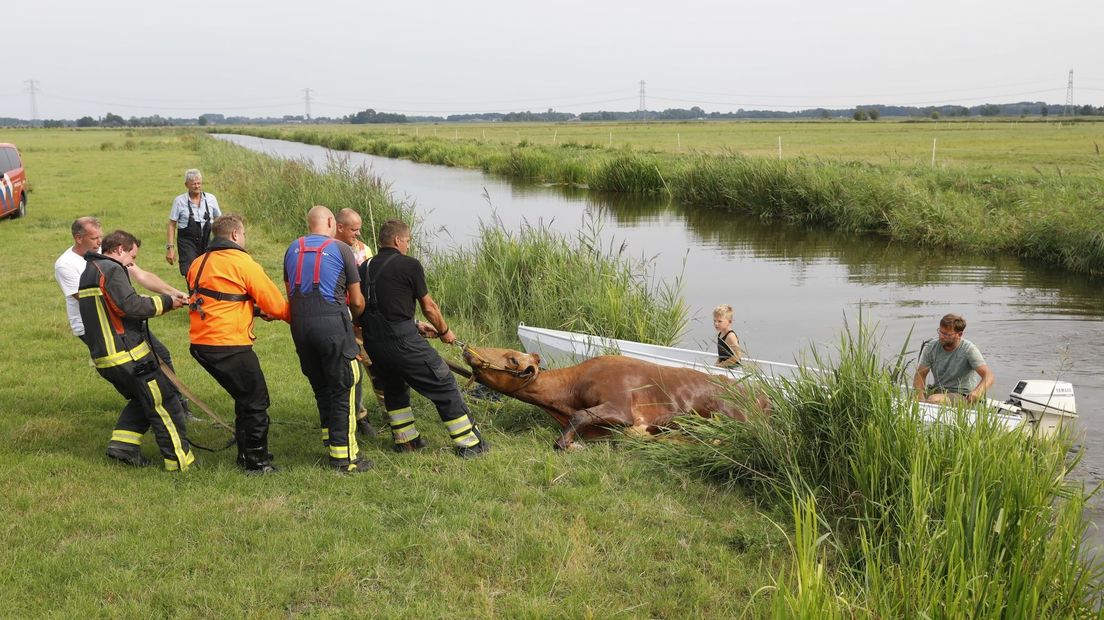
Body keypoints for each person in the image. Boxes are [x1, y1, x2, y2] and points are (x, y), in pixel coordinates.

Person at [358, 219, 488, 457]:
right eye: (407, 241)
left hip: (374, 343)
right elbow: (429, 306)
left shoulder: (363, 268)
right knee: (444, 383)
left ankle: (406, 442)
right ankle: (470, 444)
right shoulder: (410, 265)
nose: (408, 245)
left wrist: (415, 325)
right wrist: (445, 330)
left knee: (394, 388)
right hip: (403, 342)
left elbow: (370, 306)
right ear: (398, 240)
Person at [78, 230, 194, 471]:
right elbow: (129, 306)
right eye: (132, 257)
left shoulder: (91, 270)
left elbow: (116, 304)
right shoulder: (111, 269)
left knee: (144, 399)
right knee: (165, 402)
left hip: (106, 358)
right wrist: (167, 303)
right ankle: (180, 464)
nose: (132, 263)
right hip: (129, 355)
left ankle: (123, 446)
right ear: (120, 249)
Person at [55, 216, 193, 416]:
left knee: (159, 356)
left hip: (126, 317)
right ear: (78, 238)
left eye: (101, 237)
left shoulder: (104, 254)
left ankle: (176, 406)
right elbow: (88, 300)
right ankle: (163, 410)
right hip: (99, 327)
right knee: (139, 374)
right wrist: (135, 303)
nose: (99, 242)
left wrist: (174, 293)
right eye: (94, 238)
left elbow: (141, 275)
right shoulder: (66, 264)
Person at [186, 214, 290, 475]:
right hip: (228, 344)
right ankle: (256, 463)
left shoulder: (198, 262)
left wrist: (251, 309)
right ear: (234, 235)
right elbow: (276, 305)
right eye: (243, 235)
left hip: (201, 343)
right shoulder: (243, 262)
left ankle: (249, 451)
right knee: (256, 400)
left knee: (244, 397)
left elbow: (218, 299)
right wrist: (299, 318)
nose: (244, 239)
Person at [283, 205, 370, 474]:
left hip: (300, 326)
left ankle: (330, 439)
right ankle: (345, 459)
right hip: (331, 323)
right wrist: (355, 322)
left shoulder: (291, 249)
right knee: (347, 382)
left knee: (321, 383)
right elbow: (356, 301)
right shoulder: (341, 249)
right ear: (332, 222)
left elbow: (290, 292)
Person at [334, 207, 381, 436]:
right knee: (352, 373)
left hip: (363, 319)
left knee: (376, 367)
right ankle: (359, 417)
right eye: (354, 229)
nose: (358, 234)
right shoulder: (329, 249)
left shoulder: (364, 250)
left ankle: (393, 415)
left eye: (360, 229)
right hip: (341, 320)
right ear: (339, 227)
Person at [912, 313, 995, 404]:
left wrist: (977, 392)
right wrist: (920, 400)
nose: (941, 336)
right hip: (939, 392)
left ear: (959, 334)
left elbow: (989, 376)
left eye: (947, 334)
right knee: (915, 398)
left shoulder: (969, 350)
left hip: (963, 395)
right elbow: (920, 375)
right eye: (940, 332)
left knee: (933, 399)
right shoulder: (931, 347)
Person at [166, 169, 221, 277]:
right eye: (193, 184)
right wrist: (170, 248)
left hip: (206, 241)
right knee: (191, 272)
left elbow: (219, 221)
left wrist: (220, 242)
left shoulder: (211, 199)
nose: (197, 186)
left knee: (208, 272)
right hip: (187, 242)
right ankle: (193, 293)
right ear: (186, 185)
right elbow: (172, 225)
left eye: (199, 183)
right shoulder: (179, 201)